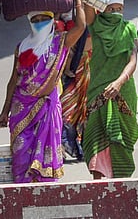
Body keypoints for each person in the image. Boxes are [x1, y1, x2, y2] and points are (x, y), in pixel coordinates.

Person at [0, 0, 86, 183]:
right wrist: (5, 111)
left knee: (45, 160)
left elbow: (80, 27)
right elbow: (13, 80)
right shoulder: (22, 47)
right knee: (20, 157)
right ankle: (22, 198)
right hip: (21, 106)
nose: (39, 24)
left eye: (43, 19)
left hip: (47, 106)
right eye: (34, 21)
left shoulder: (60, 41)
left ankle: (42, 200)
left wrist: (77, 1)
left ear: (52, 21)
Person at [82, 0, 138, 179]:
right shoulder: (95, 27)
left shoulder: (129, 28)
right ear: (103, 10)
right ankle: (99, 188)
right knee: (97, 143)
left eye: (120, 9)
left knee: (122, 143)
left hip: (123, 91)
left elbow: (133, 61)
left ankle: (121, 188)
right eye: (112, 9)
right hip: (98, 90)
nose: (116, 13)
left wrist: (119, 82)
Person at [58, 11, 92, 162]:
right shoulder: (59, 22)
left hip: (87, 71)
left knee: (86, 112)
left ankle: (84, 148)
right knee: (66, 111)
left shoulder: (92, 18)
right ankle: (65, 146)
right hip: (69, 72)